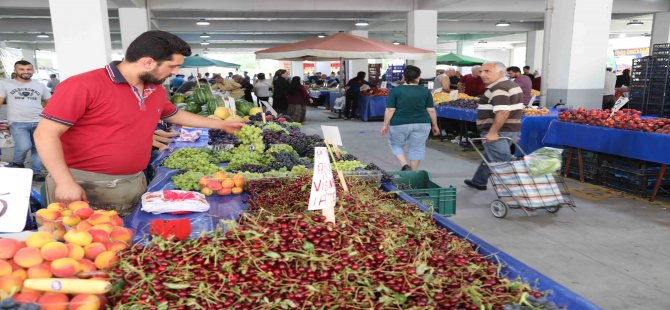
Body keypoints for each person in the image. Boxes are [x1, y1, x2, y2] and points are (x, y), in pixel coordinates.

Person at [33, 30, 244, 214]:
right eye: (172, 66)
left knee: (126, 248)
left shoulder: (155, 89)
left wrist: (221, 125)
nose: (175, 73)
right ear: (147, 62)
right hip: (85, 185)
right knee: (81, 252)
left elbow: (173, 115)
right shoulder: (82, 85)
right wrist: (64, 182)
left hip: (133, 181)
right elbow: (45, 134)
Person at [464, 61, 524, 191]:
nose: (482, 75)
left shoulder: (498, 88)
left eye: (487, 71)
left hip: (499, 132)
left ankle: (519, 193)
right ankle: (479, 181)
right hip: (509, 130)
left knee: (503, 162)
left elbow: (503, 111)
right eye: (481, 71)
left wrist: (492, 132)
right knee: (491, 155)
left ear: (501, 73)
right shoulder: (512, 85)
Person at [380, 65, 439, 171]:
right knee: (417, 148)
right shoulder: (425, 91)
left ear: (404, 76)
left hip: (399, 123)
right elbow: (431, 110)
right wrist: (435, 125)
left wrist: (385, 124)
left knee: (396, 144)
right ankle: (412, 174)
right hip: (422, 123)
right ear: (418, 77)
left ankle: (404, 165)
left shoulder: (396, 91)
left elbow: (390, 109)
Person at [0, 60, 51, 181]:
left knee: (38, 147)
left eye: (29, 69)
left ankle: (36, 172)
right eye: (22, 69)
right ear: (15, 70)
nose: (26, 72)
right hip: (17, 122)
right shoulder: (5, 84)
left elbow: (49, 101)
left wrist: (47, 116)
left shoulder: (39, 85)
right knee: (24, 146)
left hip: (39, 121)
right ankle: (18, 163)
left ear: (32, 70)